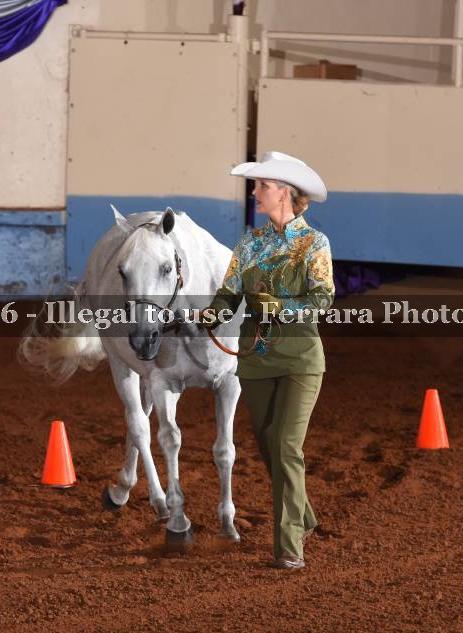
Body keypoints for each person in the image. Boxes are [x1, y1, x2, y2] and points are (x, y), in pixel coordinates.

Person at [200, 151, 334, 570]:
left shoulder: (314, 244)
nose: (254, 192)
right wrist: (209, 315)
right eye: (256, 185)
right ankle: (304, 516)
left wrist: (281, 309)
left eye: (262, 185)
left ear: (285, 193)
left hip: (301, 359)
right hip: (257, 361)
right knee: (268, 446)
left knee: (287, 446)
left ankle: (289, 547)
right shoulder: (249, 244)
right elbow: (228, 295)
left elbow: (322, 299)